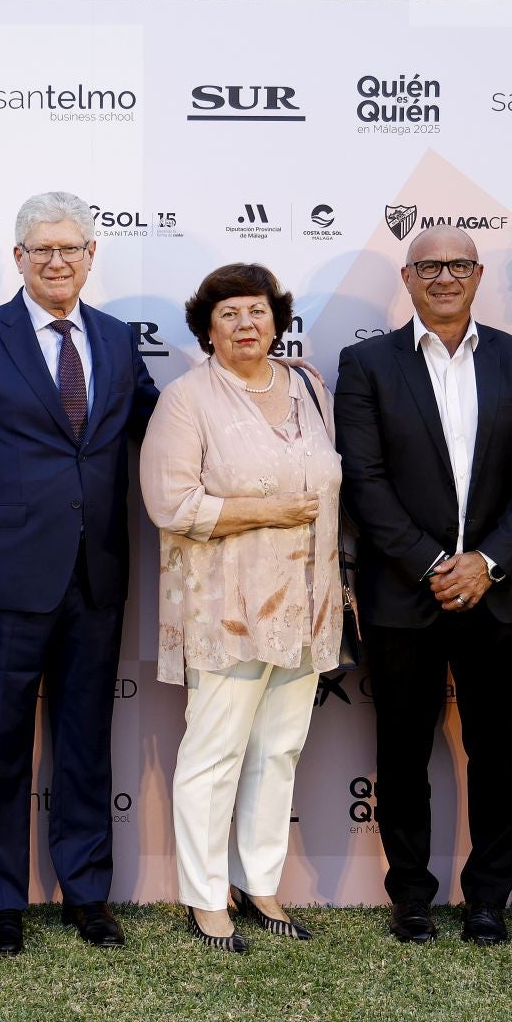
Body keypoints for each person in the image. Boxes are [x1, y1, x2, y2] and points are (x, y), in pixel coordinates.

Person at [0, 190, 160, 955]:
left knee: (86, 745)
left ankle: (88, 894)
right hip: (1, 586)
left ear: (92, 256)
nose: (57, 261)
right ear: (18, 257)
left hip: (96, 579)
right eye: (43, 249)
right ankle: (1, 902)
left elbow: (165, 427)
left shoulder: (118, 340)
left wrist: (253, 388)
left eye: (71, 248)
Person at [334, 228, 512, 947]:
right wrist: (433, 563)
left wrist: (487, 562)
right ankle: (411, 897)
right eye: (428, 265)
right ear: (407, 277)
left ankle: (488, 899)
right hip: (406, 594)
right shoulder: (367, 364)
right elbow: (363, 481)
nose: (443, 277)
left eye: (458, 265)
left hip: (500, 592)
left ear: (478, 274)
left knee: (496, 754)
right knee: (402, 755)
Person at [139, 264, 342, 953]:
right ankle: (205, 896)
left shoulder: (309, 385)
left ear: (277, 320)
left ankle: (260, 883)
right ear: (207, 330)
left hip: (307, 603)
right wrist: (269, 510)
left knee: (279, 749)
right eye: (228, 314)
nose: (246, 324)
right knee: (214, 752)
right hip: (225, 607)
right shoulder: (185, 399)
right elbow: (171, 504)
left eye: (257, 310)